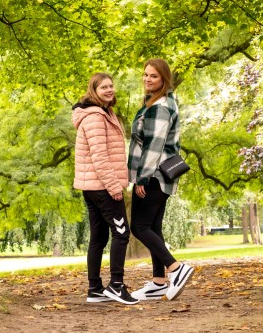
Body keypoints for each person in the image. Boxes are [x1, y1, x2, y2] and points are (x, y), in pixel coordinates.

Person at [128, 58, 194, 301]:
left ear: (164, 79)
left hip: (152, 175)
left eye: (153, 76)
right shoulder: (158, 103)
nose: (147, 79)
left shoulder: (159, 107)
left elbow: (154, 146)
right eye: (145, 75)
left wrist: (142, 178)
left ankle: (175, 268)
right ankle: (158, 282)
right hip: (161, 176)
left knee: (139, 227)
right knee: (153, 227)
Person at [72, 72, 138, 305]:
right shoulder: (95, 117)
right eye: (103, 88)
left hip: (93, 185)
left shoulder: (105, 113)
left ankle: (95, 289)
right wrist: (114, 186)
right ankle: (116, 286)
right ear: (94, 91)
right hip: (102, 186)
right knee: (121, 233)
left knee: (99, 237)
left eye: (111, 86)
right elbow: (99, 156)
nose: (109, 90)